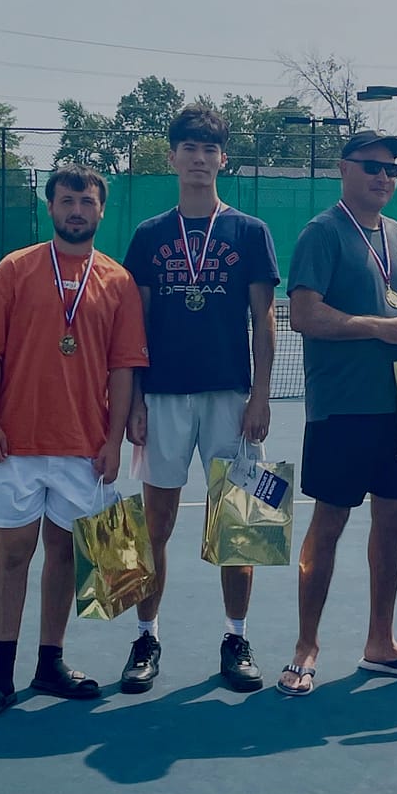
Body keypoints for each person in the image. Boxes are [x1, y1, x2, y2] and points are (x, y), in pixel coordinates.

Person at [0, 164, 148, 720]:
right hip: (15, 443)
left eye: (86, 202)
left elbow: (124, 366)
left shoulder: (117, 281)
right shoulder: (15, 269)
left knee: (64, 554)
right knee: (13, 554)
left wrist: (113, 441)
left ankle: (50, 664)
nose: (76, 210)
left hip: (84, 447)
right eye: (67, 200)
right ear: (51, 206)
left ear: (100, 210)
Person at [121, 104, 279, 693]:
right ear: (172, 157)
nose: (199, 158)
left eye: (209, 149)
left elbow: (265, 321)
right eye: (188, 147)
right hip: (163, 396)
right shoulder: (149, 235)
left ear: (223, 159)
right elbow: (135, 325)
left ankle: (236, 636)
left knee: (240, 522)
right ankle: (146, 636)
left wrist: (261, 395)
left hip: (230, 398)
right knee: (153, 523)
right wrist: (134, 397)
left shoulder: (250, 231)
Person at [276, 130, 397, 696]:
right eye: (372, 166)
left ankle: (380, 642)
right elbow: (303, 315)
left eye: (393, 170)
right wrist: (381, 327)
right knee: (330, 525)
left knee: (393, 522)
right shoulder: (321, 233)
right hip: (341, 410)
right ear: (345, 169)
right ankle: (306, 646)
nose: (384, 177)